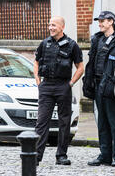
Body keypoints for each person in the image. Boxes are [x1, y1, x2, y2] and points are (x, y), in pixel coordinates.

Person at [84, 11, 115, 167]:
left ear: (111, 21)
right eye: (99, 21)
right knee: (102, 123)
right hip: (99, 85)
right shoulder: (97, 40)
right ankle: (105, 155)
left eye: (102, 21)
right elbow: (91, 63)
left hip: (112, 87)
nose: (100, 23)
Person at [34, 16, 84, 166]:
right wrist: (38, 82)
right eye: (49, 25)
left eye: (54, 25)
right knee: (42, 121)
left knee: (64, 122)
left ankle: (61, 155)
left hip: (63, 86)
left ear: (62, 27)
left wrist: (71, 83)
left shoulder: (72, 45)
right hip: (46, 86)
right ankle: (36, 155)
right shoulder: (44, 44)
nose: (50, 27)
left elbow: (80, 67)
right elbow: (36, 63)